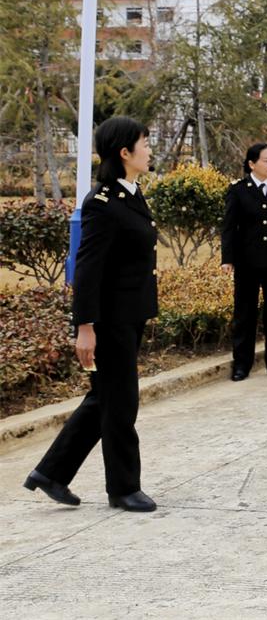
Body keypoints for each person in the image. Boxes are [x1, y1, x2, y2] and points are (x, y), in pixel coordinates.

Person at [26, 117, 159, 512]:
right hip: (110, 320)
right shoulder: (101, 203)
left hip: (130, 314)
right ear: (124, 152)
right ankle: (123, 488)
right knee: (121, 403)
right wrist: (84, 327)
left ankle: (50, 473)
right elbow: (87, 269)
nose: (150, 150)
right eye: (145, 143)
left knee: (105, 397)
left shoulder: (131, 193)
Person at [221, 142, 267, 381]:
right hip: (247, 261)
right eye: (266, 160)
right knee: (245, 313)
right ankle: (242, 365)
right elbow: (229, 227)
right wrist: (227, 259)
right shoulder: (238, 190)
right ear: (252, 164)